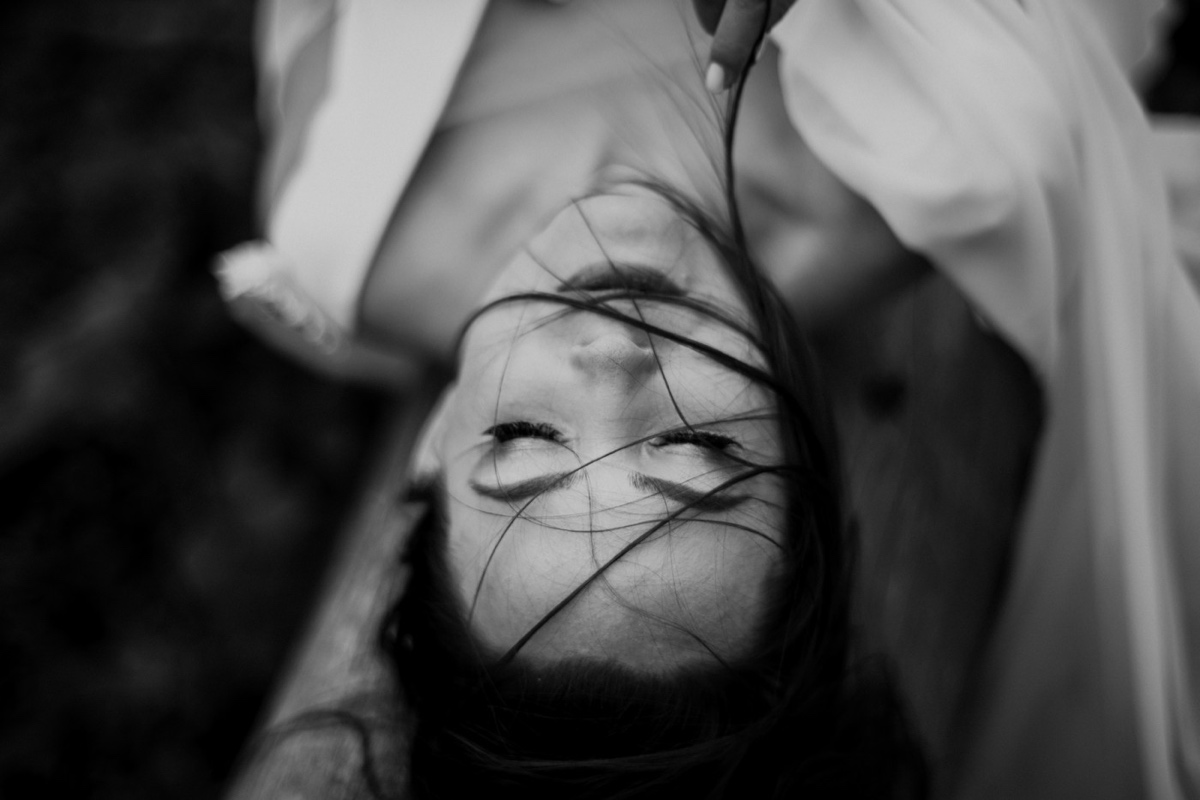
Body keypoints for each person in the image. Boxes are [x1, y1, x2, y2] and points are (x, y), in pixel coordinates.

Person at [218, 1, 1200, 798]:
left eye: (524, 437)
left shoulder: (351, 234)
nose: (612, 360)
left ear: (437, 436)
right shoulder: (941, 154)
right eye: (693, 450)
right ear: (802, 444)